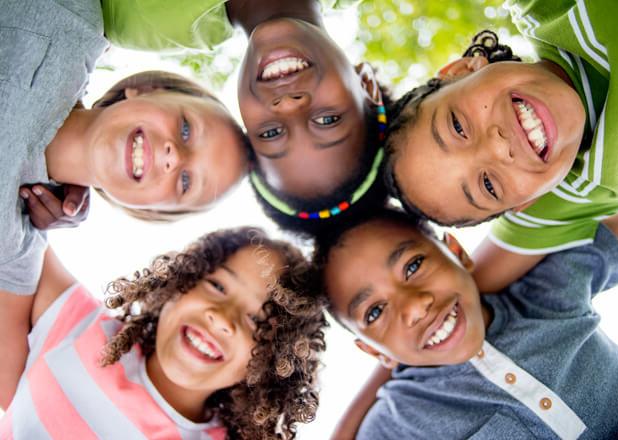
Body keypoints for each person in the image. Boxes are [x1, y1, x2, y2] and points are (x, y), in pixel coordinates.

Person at [0, 0, 247, 408]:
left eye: (185, 182)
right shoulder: (73, 21)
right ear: (147, 89)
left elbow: (12, 394)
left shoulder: (18, 238)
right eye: (186, 129)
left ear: (148, 211)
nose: (172, 156)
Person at [312, 206, 618, 439]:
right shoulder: (397, 426)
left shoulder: (545, 290)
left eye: (412, 267)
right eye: (374, 312)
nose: (415, 306)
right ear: (373, 351)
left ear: (458, 253)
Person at [383, 0, 618, 293]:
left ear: (462, 69)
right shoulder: (574, 190)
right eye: (489, 186)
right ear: (524, 203)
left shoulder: (551, 8)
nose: (497, 148)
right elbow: (468, 291)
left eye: (457, 126)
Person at [0, 227, 326, 439]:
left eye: (258, 321)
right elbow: (17, 225)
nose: (222, 318)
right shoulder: (81, 325)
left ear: (273, 364)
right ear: (179, 283)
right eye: (216, 285)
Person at [98, 0, 391, 235]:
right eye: (328, 120)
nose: (288, 105)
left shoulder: (134, 19)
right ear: (366, 85)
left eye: (271, 133)